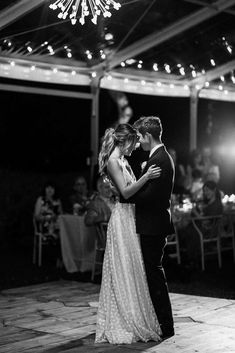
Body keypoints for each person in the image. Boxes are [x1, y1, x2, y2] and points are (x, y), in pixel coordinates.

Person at [95, 123, 162, 344]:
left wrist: (141, 173)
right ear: (125, 141)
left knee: (134, 267)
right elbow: (125, 192)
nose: (135, 148)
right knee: (124, 266)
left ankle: (135, 313)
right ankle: (123, 319)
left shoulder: (123, 161)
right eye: (134, 143)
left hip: (130, 216)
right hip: (122, 218)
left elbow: (131, 187)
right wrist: (147, 177)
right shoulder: (114, 162)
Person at [132, 116, 175, 340]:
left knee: (154, 275)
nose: (138, 141)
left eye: (139, 136)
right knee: (153, 273)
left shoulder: (158, 159)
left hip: (153, 226)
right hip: (156, 224)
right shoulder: (158, 157)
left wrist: (127, 192)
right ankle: (161, 322)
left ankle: (165, 325)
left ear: (148, 135)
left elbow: (149, 197)